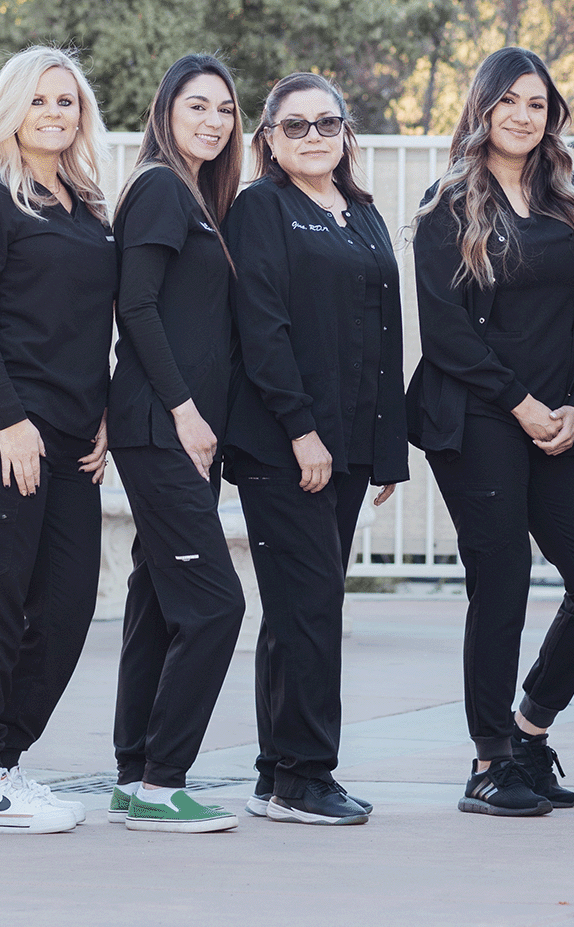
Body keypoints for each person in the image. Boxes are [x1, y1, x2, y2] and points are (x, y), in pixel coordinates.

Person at [409, 47, 574, 818]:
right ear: (483, 107)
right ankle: (488, 761)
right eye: (508, 101)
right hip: (474, 416)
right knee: (500, 582)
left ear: (551, 115)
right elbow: (446, 334)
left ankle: (529, 730)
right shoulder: (447, 205)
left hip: (559, 417)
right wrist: (521, 404)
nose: (522, 115)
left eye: (536, 104)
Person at [223, 73, 408, 828]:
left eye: (325, 123)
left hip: (350, 448)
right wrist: (302, 431)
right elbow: (260, 328)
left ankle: (277, 774)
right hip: (286, 445)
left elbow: (385, 336)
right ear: (268, 138)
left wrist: (384, 449)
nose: (311, 136)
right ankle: (306, 777)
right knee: (310, 611)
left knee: (299, 609)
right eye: (293, 126)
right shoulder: (260, 208)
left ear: (345, 132)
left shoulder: (360, 212)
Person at [0, 46, 116, 834]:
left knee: (70, 602)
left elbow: (95, 325)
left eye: (69, 101)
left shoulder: (88, 206)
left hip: (78, 436)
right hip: (0, 427)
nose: (57, 113)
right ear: (14, 108)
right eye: (42, 100)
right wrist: (12, 421)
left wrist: (107, 413)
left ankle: (7, 759)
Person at [108, 54, 246, 834]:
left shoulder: (197, 197)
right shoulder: (162, 187)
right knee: (217, 605)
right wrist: (188, 413)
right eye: (197, 106)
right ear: (167, 111)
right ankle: (165, 783)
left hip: (179, 433)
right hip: (164, 431)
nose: (212, 121)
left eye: (224, 110)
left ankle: (132, 776)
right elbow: (139, 308)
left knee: (158, 602)